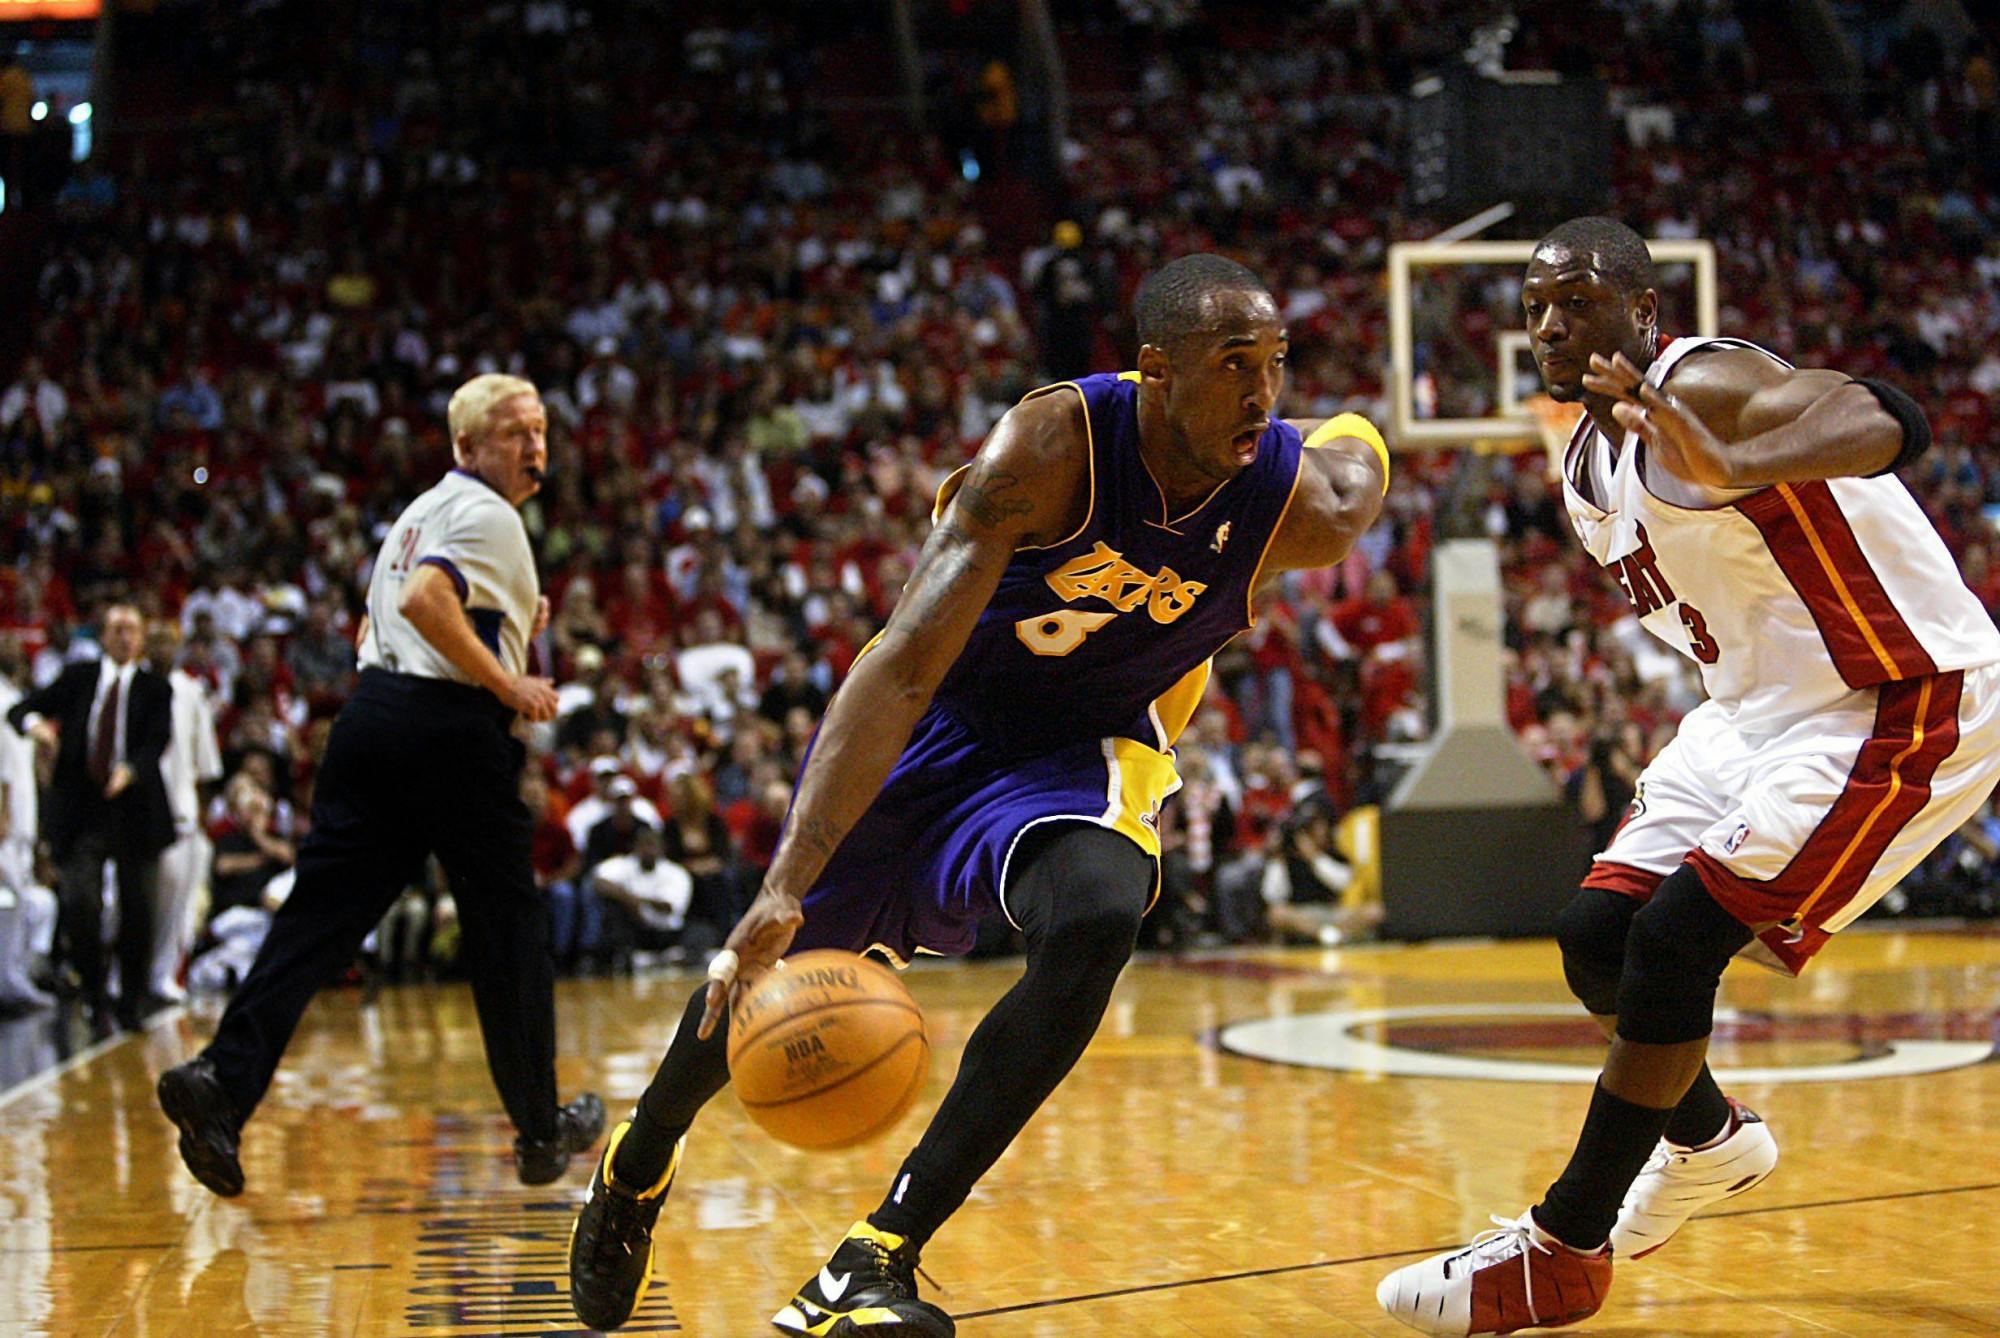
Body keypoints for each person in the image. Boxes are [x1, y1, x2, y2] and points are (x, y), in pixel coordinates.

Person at [567, 253, 1390, 1334]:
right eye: (1232, 364)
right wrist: (782, 882)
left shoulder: (1294, 505)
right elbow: (904, 664)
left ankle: (874, 1255)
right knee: (762, 964)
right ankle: (638, 1161)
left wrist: (1357, 433)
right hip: (939, 717)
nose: (1259, 392)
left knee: (1101, 905)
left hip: (1075, 749)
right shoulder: (1051, 448)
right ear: (1153, 371)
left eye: (1275, 365)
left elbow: (1355, 470)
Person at [1378, 217, 2000, 1334]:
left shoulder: (1702, 386)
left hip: (1895, 691)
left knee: (1673, 943)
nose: (1552, 325)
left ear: (1644, 313)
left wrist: (1746, 464)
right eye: (1534, 308)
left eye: (1578, 300)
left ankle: (1563, 1246)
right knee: (1596, 938)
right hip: (1755, 710)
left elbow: (1880, 415)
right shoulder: (1582, 455)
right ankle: (1711, 1143)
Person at [154, 373, 604, 1199]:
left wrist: (505, 631)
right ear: (466, 446)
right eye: (513, 433)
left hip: (372, 719)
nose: (535, 448)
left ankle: (222, 1082)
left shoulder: (416, 515)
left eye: (539, 431)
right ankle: (541, 1129)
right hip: (450, 734)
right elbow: (428, 600)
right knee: (508, 932)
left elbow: (380, 622)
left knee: (318, 922)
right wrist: (511, 686)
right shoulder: (486, 512)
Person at [7, 604, 176, 1031]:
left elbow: (157, 740)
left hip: (135, 809)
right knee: (81, 902)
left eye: (132, 629)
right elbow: (21, 709)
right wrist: (38, 730)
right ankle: (95, 996)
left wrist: (131, 769)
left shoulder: (156, 688)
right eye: (117, 628)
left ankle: (132, 1001)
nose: (125, 637)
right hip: (84, 811)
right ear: (103, 635)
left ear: (140, 638)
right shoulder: (78, 678)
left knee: (138, 910)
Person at [148, 619, 224, 1003]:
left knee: (177, 900)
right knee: (128, 901)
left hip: (181, 809)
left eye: (167, 641)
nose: (161, 647)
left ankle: (163, 973)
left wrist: (202, 814)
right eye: (155, 640)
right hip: (138, 809)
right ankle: (123, 974)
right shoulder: (132, 687)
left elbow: (205, 763)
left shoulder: (190, 691)